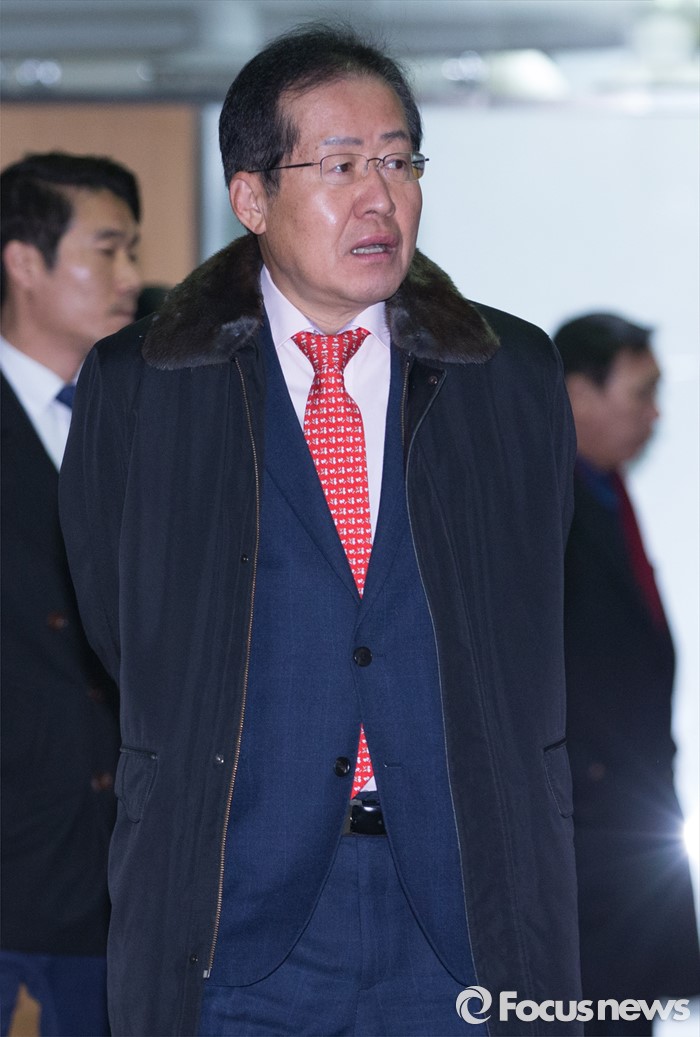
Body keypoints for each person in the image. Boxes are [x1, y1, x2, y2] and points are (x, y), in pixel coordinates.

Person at [60, 26, 581, 1037]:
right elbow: (122, 625)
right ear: (251, 197)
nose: (379, 197)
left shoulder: (506, 373)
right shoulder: (147, 385)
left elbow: (528, 611)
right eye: (341, 166)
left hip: (464, 897)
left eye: (399, 162)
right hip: (234, 901)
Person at [0, 151, 141, 1036]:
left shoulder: (144, 416)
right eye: (108, 249)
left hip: (121, 868)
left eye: (134, 251)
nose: (131, 276)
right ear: (24, 260)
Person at [553, 312, 700, 1036]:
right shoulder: (546, 506)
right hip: (583, 844)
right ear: (579, 393)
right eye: (641, 394)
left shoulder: (607, 495)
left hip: (630, 832)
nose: (654, 414)